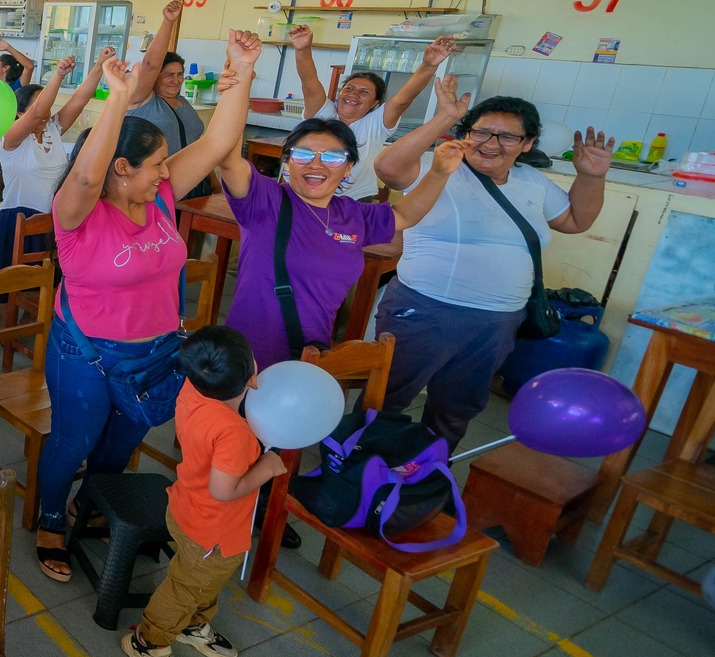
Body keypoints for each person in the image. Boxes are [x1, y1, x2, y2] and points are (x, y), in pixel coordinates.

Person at [31, 35, 257, 583]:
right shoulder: (77, 213)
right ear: (121, 166)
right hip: (86, 351)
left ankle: (95, 502)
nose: (166, 172)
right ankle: (50, 516)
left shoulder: (157, 196)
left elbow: (219, 140)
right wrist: (118, 96)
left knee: (124, 439)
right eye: (154, 164)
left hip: (155, 351)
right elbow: (87, 174)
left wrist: (244, 73)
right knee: (73, 438)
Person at [373, 86, 615, 447]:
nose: (491, 143)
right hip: (424, 310)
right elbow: (388, 168)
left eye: (508, 136)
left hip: (497, 321)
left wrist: (592, 177)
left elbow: (576, 220)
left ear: (528, 143)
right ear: (466, 134)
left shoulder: (532, 182)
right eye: (481, 131)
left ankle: (425, 475)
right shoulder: (439, 167)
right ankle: (359, 469)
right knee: (387, 397)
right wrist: (445, 117)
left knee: (456, 408)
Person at [217, 116, 466, 370]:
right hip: (249, 356)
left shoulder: (352, 214)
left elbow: (404, 215)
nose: (316, 164)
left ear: (348, 168)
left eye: (333, 158)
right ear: (287, 162)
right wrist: (239, 84)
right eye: (303, 154)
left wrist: (438, 173)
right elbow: (227, 160)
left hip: (311, 354)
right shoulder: (265, 201)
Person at [119, 327, 286, 657]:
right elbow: (224, 490)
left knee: (205, 581)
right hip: (213, 528)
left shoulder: (193, 389)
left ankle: (193, 625)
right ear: (250, 376)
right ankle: (148, 642)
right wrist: (266, 467)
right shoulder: (234, 433)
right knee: (186, 587)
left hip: (187, 508)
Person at [292, 27, 454, 200]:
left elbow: (402, 100)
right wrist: (302, 49)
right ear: (340, 92)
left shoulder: (376, 123)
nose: (353, 95)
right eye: (349, 88)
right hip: (306, 194)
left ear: (375, 103)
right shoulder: (323, 112)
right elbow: (309, 84)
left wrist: (428, 66)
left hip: (355, 201)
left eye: (364, 92)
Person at [0, 57, 97, 266]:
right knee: (21, 285)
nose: (46, 113)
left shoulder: (52, 128)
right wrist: (58, 76)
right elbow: (37, 113)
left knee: (50, 282)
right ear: (20, 113)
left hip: (53, 218)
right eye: (42, 104)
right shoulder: (9, 137)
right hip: (20, 219)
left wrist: (101, 65)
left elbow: (79, 99)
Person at [122, 1, 214, 200]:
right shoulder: (142, 100)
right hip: (155, 186)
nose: (176, 80)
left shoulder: (183, 102)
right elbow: (150, 64)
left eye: (180, 74)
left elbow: (196, 144)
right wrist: (168, 22)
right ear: (155, 77)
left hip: (193, 185)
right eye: (169, 75)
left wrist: (214, 183)